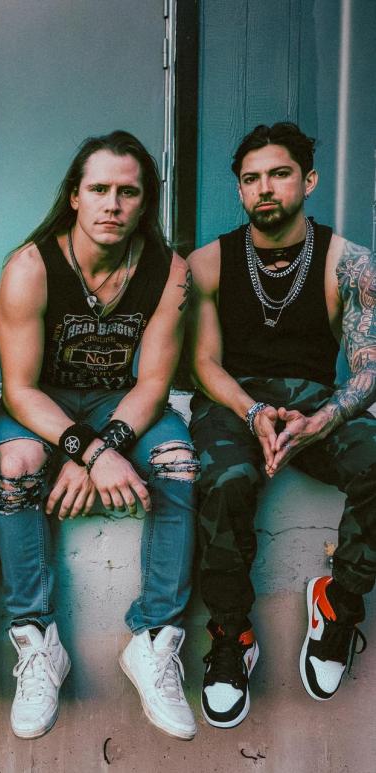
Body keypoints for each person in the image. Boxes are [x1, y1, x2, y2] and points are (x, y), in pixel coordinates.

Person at [0, 131, 200, 741]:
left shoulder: (170, 272)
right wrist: (87, 451)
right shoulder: (30, 267)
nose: (112, 204)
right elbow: (19, 389)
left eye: (127, 192)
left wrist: (100, 450)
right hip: (42, 404)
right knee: (17, 466)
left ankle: (154, 640)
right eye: (99, 189)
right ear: (75, 196)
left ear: (145, 201)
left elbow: (154, 384)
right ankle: (36, 640)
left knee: (178, 461)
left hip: (120, 402)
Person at [188, 121, 375, 728]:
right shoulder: (208, 263)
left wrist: (322, 420)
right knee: (225, 482)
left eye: (279, 174)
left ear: (309, 181)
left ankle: (339, 604)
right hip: (232, 402)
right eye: (251, 179)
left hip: (316, 403)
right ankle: (231, 635)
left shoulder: (350, 262)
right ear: (239, 190)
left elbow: (370, 367)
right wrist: (250, 412)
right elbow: (204, 363)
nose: (264, 188)